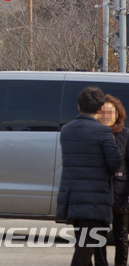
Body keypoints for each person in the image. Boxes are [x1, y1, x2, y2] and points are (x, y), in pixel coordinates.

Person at [57, 86, 122, 266]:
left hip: (72, 198)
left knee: (83, 245)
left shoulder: (66, 130)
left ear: (78, 107)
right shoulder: (102, 132)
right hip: (95, 200)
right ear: (101, 109)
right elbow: (115, 161)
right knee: (84, 252)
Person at [96, 95, 129, 266]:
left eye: (111, 111)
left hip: (120, 194)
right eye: (104, 112)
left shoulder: (126, 134)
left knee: (121, 236)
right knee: (98, 235)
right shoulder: (94, 134)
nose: (107, 115)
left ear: (118, 113)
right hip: (99, 193)